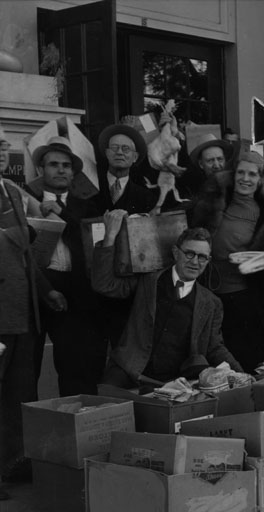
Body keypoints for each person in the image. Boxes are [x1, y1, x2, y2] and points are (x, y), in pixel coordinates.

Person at [92, 221, 242, 387]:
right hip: (129, 370)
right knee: (105, 403)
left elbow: (215, 347)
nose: (195, 262)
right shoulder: (148, 280)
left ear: (208, 261)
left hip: (175, 382)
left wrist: (241, 375)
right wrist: (109, 238)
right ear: (176, 252)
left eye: (202, 257)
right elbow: (104, 284)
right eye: (189, 254)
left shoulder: (212, 303)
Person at [0, 123, 66, 493]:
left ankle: (11, 464)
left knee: (19, 393)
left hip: (24, 313)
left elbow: (25, 255)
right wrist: (18, 234)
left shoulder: (12, 190)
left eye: (3, 141)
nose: (4, 146)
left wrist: (46, 292)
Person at [191, 150, 264, 372]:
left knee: (241, 358)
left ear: (260, 179)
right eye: (241, 172)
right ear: (233, 173)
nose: (245, 179)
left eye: (252, 174)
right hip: (207, 292)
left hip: (241, 298)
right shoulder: (214, 199)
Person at [28, 136, 107, 395]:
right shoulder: (27, 200)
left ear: (73, 173)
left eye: (66, 165)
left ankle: (72, 424)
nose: (60, 170)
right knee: (27, 368)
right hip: (36, 287)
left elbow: (90, 242)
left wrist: (63, 213)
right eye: (53, 164)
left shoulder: (85, 205)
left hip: (73, 291)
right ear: (41, 170)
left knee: (73, 365)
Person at [93, 123, 156, 346]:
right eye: (115, 147)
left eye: (126, 149)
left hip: (128, 292)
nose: (120, 152)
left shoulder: (147, 197)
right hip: (92, 291)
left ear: (135, 157)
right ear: (106, 152)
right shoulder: (90, 190)